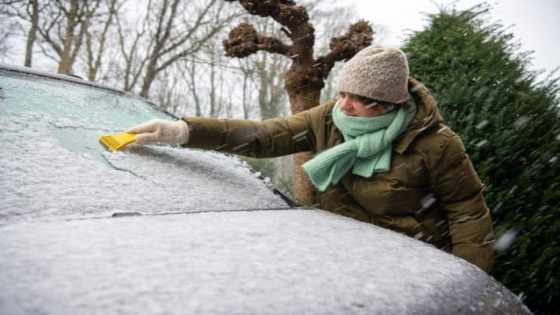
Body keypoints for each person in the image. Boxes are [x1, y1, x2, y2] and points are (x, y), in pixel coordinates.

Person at [125, 44, 495, 272]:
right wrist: (185, 131)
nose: (343, 105)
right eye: (343, 91)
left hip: (414, 260)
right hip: (344, 253)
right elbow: (266, 136)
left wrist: (465, 275)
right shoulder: (329, 117)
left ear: (388, 104)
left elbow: (467, 213)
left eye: (358, 98)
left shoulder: (437, 144)